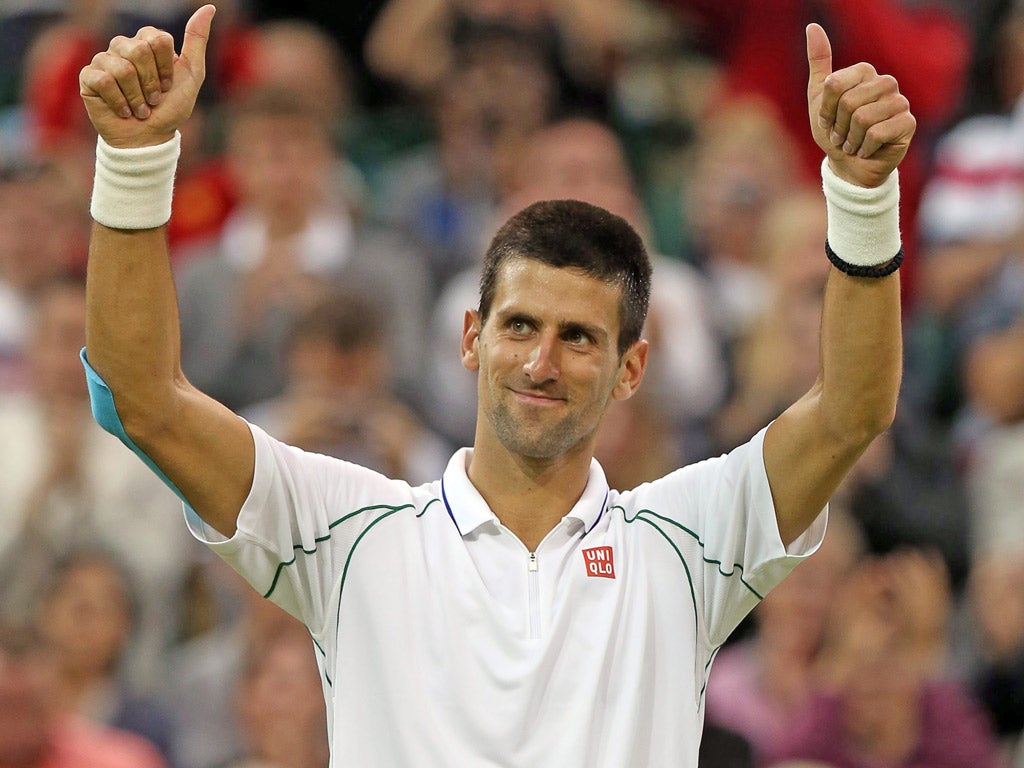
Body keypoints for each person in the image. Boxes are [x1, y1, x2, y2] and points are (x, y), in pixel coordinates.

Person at [77, 7, 911, 767]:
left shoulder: (687, 542)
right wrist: (135, 160)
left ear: (633, 370)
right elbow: (142, 398)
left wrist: (862, 195)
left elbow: (851, 411)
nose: (541, 362)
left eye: (579, 337)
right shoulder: (349, 532)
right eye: (519, 326)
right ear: (471, 339)